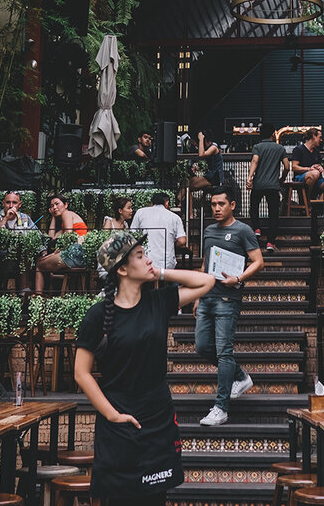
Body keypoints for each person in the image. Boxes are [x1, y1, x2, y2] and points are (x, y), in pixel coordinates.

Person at [75, 231, 215, 504]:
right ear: (123, 269)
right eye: (140, 256)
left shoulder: (158, 302)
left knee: (155, 498)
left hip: (157, 417)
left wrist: (161, 273)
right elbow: (81, 373)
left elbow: (206, 282)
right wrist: (112, 415)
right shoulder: (98, 315)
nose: (147, 259)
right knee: (120, 498)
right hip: (120, 421)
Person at [195, 187, 264, 426]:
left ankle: (221, 407)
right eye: (213, 204)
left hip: (227, 299)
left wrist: (239, 279)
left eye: (221, 204)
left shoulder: (242, 230)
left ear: (232, 205)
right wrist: (196, 296)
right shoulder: (208, 229)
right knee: (203, 347)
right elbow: (205, 263)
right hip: (206, 297)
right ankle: (241, 376)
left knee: (224, 352)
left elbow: (258, 261)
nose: (216, 208)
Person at [246, 123, 289, 252]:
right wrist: (282, 178)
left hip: (258, 185)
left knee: (254, 208)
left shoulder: (257, 147)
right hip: (273, 186)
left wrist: (250, 177)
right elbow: (287, 166)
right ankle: (270, 242)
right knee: (273, 215)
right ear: (273, 134)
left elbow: (255, 161)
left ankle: (257, 229)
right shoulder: (280, 148)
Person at [35, 194, 88, 293]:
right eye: (51, 206)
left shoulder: (67, 214)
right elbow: (51, 238)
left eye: (57, 204)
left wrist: (55, 253)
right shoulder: (67, 221)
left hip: (74, 253)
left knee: (39, 264)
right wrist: (53, 217)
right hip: (80, 256)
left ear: (66, 205)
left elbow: (68, 237)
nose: (54, 207)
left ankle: (38, 297)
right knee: (42, 261)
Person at [131, 192, 187, 270]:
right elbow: (182, 241)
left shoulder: (140, 212)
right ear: (167, 203)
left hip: (145, 261)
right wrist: (172, 243)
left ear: (152, 203)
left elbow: (133, 235)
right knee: (171, 278)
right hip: (166, 263)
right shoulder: (175, 217)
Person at [290, 127, 324, 199]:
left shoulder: (316, 151)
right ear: (314, 136)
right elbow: (294, 167)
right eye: (320, 137)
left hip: (317, 178)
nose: (321, 140)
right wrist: (309, 169)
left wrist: (319, 167)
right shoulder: (298, 149)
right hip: (301, 177)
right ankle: (307, 201)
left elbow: (318, 163)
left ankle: (318, 207)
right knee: (315, 173)